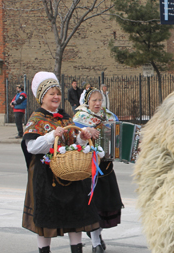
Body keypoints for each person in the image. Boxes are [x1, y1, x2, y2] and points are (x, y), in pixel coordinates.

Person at [22, 72, 100, 253]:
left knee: (76, 214)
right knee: (46, 218)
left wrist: (81, 138)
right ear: (42, 97)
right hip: (46, 177)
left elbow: (72, 144)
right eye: (51, 94)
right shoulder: (36, 119)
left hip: (70, 173)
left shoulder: (65, 118)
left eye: (57, 93)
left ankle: (77, 249)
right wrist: (51, 136)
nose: (56, 97)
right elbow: (32, 147)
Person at [73, 87, 123, 253]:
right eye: (94, 100)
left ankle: (97, 236)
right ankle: (95, 243)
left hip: (106, 167)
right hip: (90, 168)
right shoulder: (81, 117)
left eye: (100, 100)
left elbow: (117, 134)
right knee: (94, 207)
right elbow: (76, 141)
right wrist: (86, 132)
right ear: (87, 101)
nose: (97, 103)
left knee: (107, 205)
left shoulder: (109, 116)